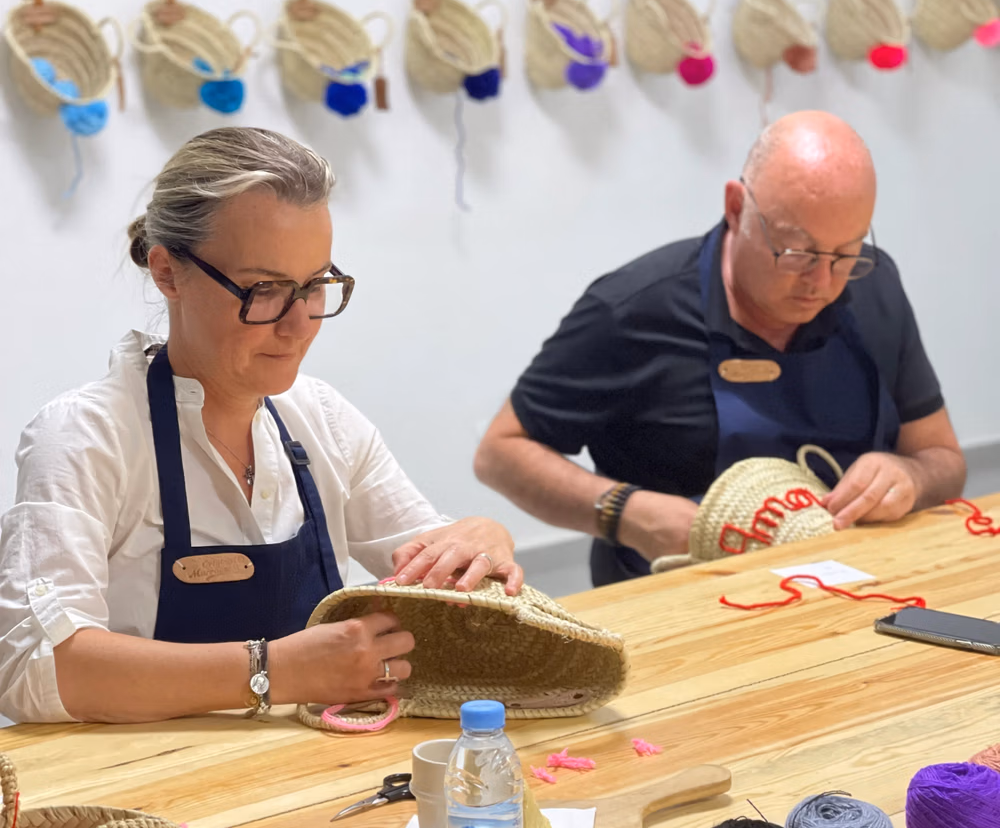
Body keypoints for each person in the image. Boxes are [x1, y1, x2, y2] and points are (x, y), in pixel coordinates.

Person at [0, 128, 521, 725]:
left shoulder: (322, 418)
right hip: (143, 798)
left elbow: (432, 580)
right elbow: (33, 669)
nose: (299, 325)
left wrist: (478, 540)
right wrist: (274, 670)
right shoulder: (86, 438)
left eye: (316, 285)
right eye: (263, 289)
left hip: (302, 780)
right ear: (168, 273)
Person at [475, 112, 965, 586]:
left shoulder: (875, 286)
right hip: (682, 602)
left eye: (845, 254)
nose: (821, 282)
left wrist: (910, 477)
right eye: (797, 252)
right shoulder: (632, 310)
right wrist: (625, 513)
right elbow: (500, 453)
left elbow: (942, 458)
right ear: (736, 208)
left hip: (851, 583)